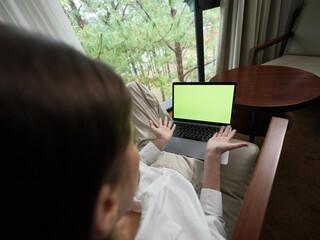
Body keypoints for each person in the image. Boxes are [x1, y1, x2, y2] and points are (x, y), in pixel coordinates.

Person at [1, 24, 247, 240]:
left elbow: (137, 164)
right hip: (179, 175)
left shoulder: (94, 178)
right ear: (107, 207)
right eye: (125, 144)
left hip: (154, 166)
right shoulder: (174, 228)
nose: (133, 148)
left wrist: (158, 143)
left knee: (133, 88)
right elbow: (214, 231)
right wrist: (212, 159)